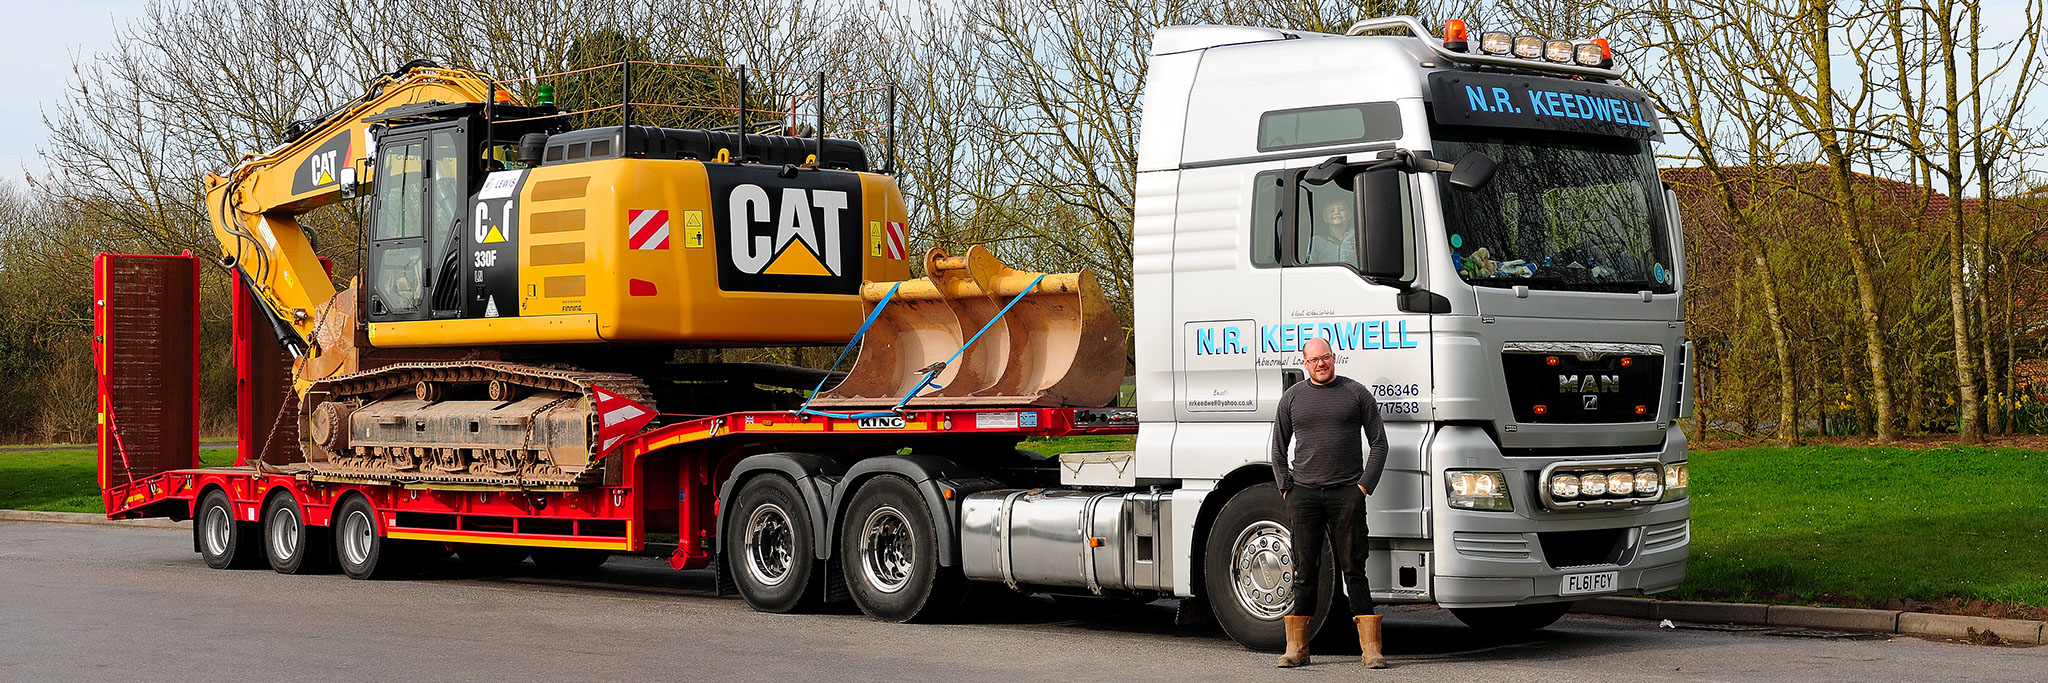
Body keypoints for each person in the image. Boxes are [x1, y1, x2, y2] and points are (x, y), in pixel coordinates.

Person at [1269, 336, 1389, 669]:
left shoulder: (1356, 393)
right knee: (1305, 573)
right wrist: (1287, 489)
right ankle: (1297, 649)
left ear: (1334, 358)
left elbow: (1379, 444)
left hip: (1346, 494)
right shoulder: (1292, 398)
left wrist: (1363, 487)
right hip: (1304, 496)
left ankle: (1371, 649)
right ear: (1304, 363)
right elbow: (1278, 449)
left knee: (1355, 570)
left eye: (1325, 357)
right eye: (1313, 360)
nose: (1320, 364)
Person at [1306, 199, 1358, 267]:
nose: (1336, 212)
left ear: (1350, 215)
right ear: (1325, 218)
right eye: (1331, 210)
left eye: (1341, 209)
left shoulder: (1358, 237)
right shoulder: (1316, 241)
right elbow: (1310, 265)